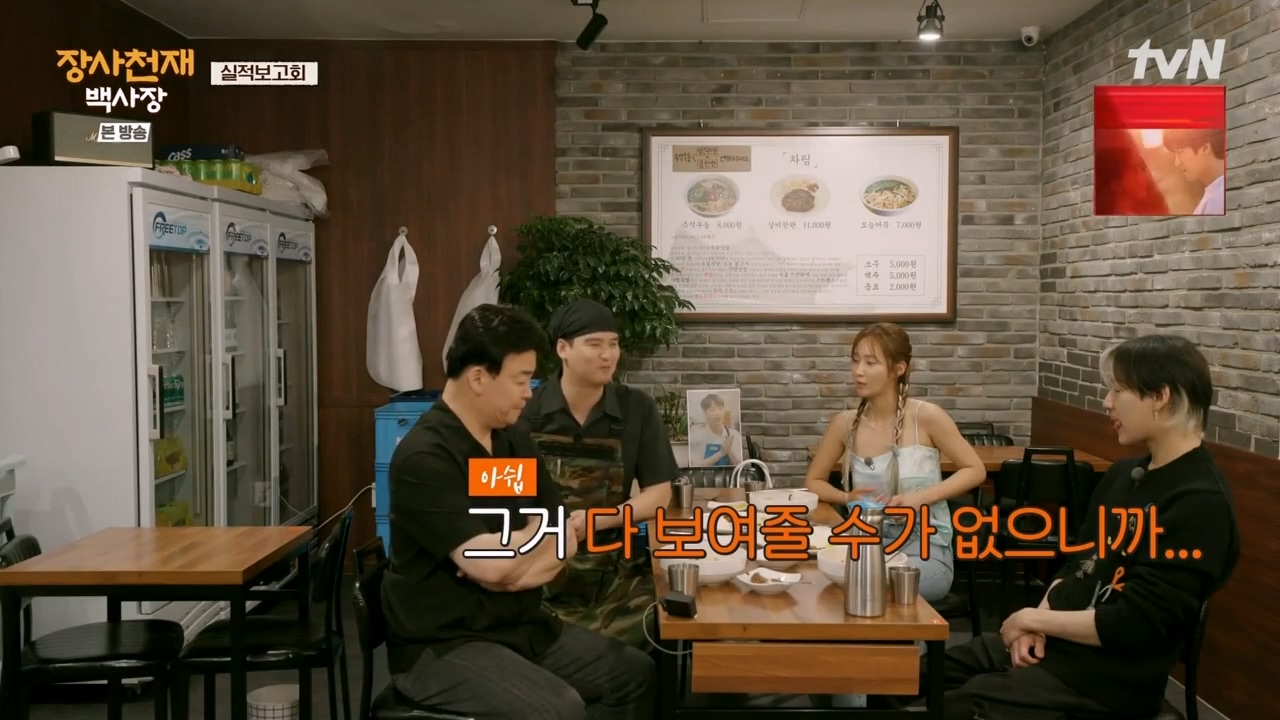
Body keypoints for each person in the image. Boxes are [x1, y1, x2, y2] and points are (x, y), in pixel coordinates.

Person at [928, 335, 1240, 719]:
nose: (1107, 402)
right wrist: (1037, 625)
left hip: (1106, 682)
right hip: (1059, 645)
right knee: (915, 673)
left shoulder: (1198, 501)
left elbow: (1134, 624)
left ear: (1160, 397)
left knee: (962, 705)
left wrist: (1031, 618)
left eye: (1118, 390)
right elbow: (1078, 563)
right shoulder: (1124, 474)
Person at [381, 303, 656, 719]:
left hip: (517, 624)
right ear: (479, 378)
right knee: (559, 709)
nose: (529, 393)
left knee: (634, 674)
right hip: (444, 643)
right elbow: (492, 564)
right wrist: (518, 551)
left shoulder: (507, 439)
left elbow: (559, 532)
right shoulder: (428, 457)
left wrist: (511, 561)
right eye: (521, 380)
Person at [516, 298, 679, 651]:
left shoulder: (636, 409)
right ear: (563, 349)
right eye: (594, 344)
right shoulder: (524, 410)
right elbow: (498, 496)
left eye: (613, 344)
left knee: (646, 637)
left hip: (615, 572)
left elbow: (659, 495)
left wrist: (595, 521)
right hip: (539, 567)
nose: (608, 355)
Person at [804, 322, 987, 603]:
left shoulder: (927, 416)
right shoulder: (844, 423)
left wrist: (920, 498)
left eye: (870, 363)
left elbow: (975, 470)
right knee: (827, 579)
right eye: (855, 361)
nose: (858, 371)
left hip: (924, 545)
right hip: (866, 540)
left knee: (873, 583)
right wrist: (847, 497)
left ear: (898, 369)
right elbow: (813, 482)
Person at [1163, 128, 1226, 215]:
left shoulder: (1217, 199)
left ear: (1205, 148)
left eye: (1180, 152)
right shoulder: (1215, 195)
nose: (1177, 163)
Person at [687, 393, 744, 467]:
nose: (717, 413)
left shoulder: (734, 434)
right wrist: (721, 453)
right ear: (704, 413)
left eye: (720, 409)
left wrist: (729, 451)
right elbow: (695, 466)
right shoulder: (696, 435)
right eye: (712, 410)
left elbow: (740, 466)